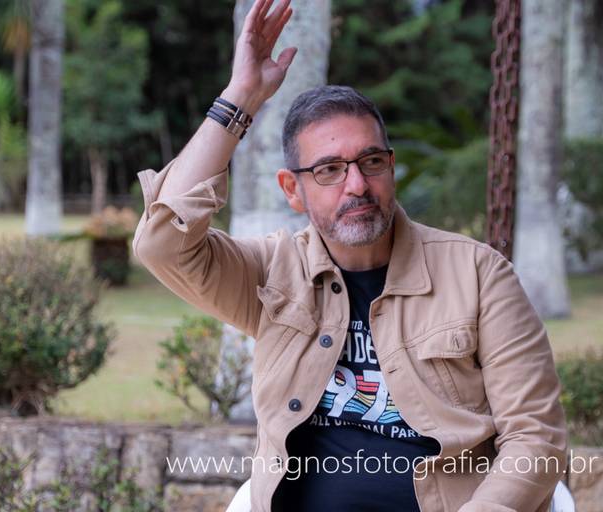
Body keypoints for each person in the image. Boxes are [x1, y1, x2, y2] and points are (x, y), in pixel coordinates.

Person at [132, 0, 568, 511]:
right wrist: (241, 97)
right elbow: (163, 243)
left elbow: (535, 439)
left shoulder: (477, 275)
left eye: (371, 161)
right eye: (329, 170)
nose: (357, 184)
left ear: (391, 167)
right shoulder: (273, 274)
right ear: (292, 190)